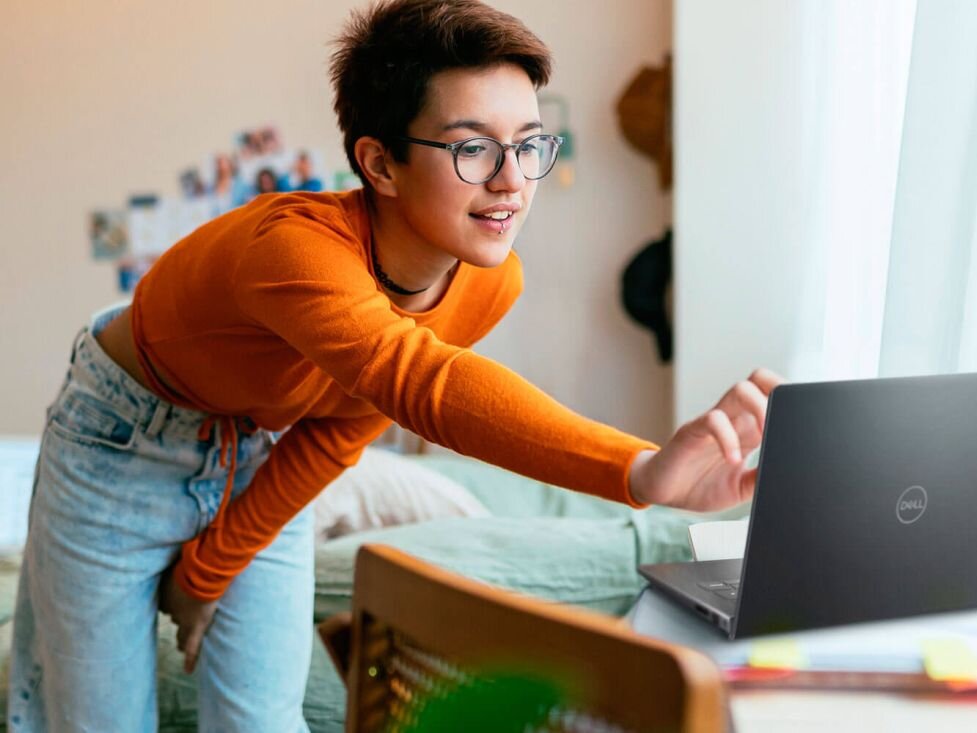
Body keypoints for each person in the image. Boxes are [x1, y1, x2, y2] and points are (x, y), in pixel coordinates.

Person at [7, 0, 780, 730]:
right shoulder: (294, 253)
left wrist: (207, 572)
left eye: (529, 143)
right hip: (119, 442)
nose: (511, 179)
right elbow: (422, 385)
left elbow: (340, 430)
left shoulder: (486, 282)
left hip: (263, 445)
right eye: (473, 146)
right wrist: (639, 470)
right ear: (378, 162)